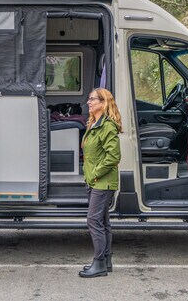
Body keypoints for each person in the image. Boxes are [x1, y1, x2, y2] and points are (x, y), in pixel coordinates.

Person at [79, 88, 122, 278]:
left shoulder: (107, 126)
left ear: (103, 103)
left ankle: (99, 264)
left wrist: (95, 174)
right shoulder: (94, 123)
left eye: (92, 99)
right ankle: (106, 260)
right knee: (103, 222)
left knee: (93, 220)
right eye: (89, 99)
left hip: (102, 182)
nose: (88, 102)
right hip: (95, 180)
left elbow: (114, 156)